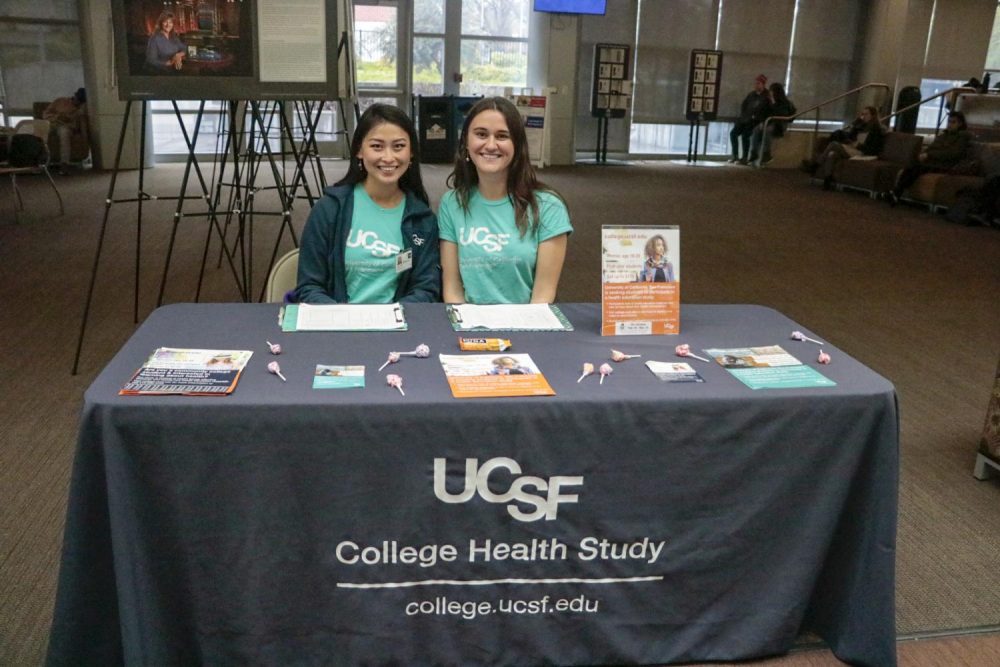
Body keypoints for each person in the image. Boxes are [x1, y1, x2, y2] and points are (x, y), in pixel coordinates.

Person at [295, 104, 440, 304]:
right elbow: (309, 286)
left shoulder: (423, 220)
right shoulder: (330, 209)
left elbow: (426, 288)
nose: (388, 157)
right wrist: (342, 320)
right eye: (377, 146)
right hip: (337, 326)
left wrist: (391, 320)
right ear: (359, 151)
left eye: (398, 146)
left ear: (411, 152)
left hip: (398, 328)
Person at [438, 96, 572, 304]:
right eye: (481, 134)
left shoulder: (548, 206)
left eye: (502, 136)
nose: (491, 145)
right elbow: (453, 290)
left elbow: (543, 296)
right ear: (466, 142)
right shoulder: (452, 203)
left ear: (517, 145)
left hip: (525, 327)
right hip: (468, 329)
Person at [886, 111, 973, 205]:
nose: (950, 125)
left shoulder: (962, 137)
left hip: (945, 165)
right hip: (933, 161)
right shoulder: (943, 136)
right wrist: (924, 153)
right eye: (949, 122)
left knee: (917, 168)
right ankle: (896, 192)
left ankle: (896, 193)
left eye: (953, 122)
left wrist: (930, 155)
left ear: (960, 124)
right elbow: (931, 147)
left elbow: (952, 153)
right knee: (910, 167)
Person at [814, 106, 886, 190]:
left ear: (873, 116)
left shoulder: (876, 129)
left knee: (833, 144)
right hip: (853, 149)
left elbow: (873, 148)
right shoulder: (861, 126)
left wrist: (858, 146)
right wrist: (856, 125)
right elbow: (851, 137)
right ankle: (827, 180)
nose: (864, 116)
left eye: (866, 114)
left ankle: (816, 165)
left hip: (863, 152)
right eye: (862, 114)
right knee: (832, 154)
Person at [749, 82, 796, 165]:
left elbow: (781, 114)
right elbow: (762, 112)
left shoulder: (783, 102)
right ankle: (754, 152)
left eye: (771, 90)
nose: (770, 92)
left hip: (779, 124)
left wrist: (774, 103)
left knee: (767, 131)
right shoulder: (767, 100)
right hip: (768, 122)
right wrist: (761, 122)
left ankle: (767, 154)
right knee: (756, 130)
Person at [729, 74, 770, 165]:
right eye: (755, 83)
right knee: (733, 133)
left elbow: (767, 111)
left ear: (763, 84)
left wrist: (760, 120)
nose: (756, 85)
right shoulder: (751, 94)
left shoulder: (767, 97)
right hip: (745, 119)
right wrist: (744, 116)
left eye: (758, 83)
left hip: (755, 121)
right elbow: (744, 105)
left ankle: (744, 157)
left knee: (745, 136)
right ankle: (735, 156)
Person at [42, 87, 86, 171]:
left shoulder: (80, 110)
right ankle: (37, 160)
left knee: (64, 133)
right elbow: (45, 113)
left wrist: (69, 120)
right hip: (51, 123)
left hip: (65, 127)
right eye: (78, 99)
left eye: (81, 102)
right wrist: (57, 117)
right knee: (40, 132)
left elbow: (76, 127)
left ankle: (64, 163)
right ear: (75, 96)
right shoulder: (60, 101)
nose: (78, 103)